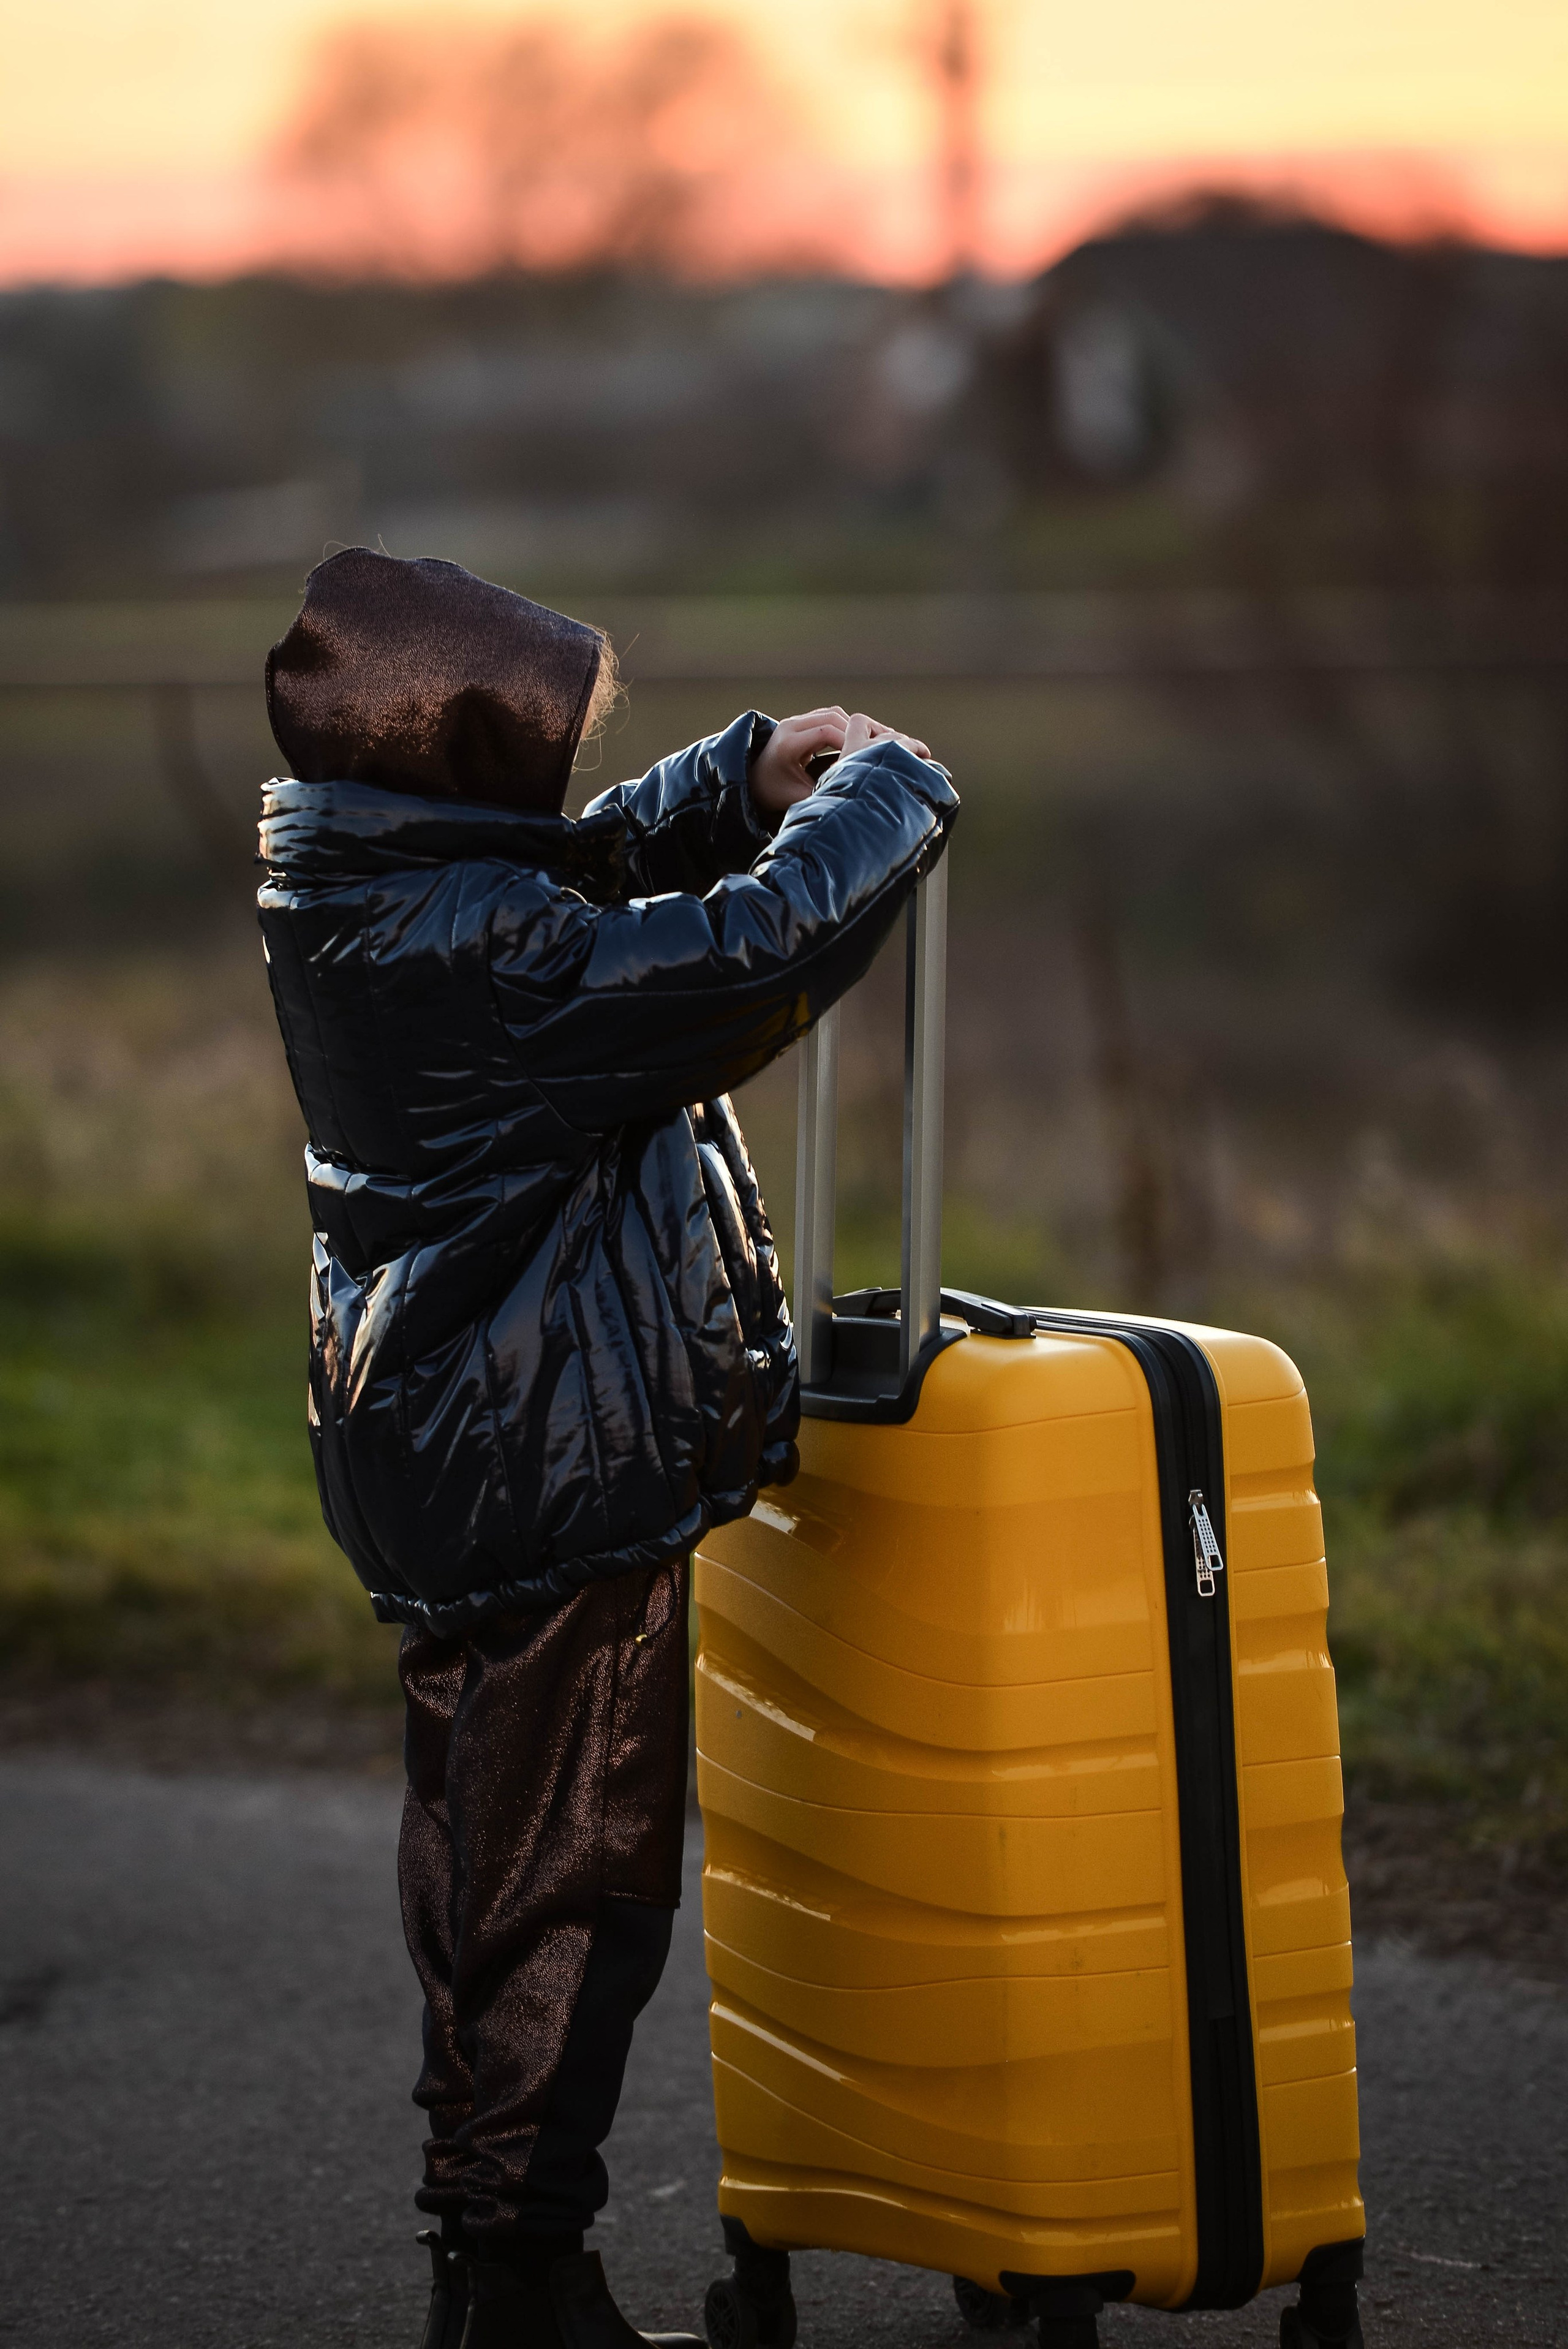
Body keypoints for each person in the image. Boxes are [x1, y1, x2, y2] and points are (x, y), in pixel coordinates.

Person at [257, 548, 957, 2349]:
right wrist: (883, 798)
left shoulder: (366, 881)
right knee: (569, 1881)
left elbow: (579, 885)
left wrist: (732, 781)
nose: (565, 785)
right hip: (546, 1467)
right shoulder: (482, 955)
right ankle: (520, 2285)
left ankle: (492, 2254)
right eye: (541, 749)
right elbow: (743, 956)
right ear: (457, 757)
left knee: (490, 1868)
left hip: (471, 1449)